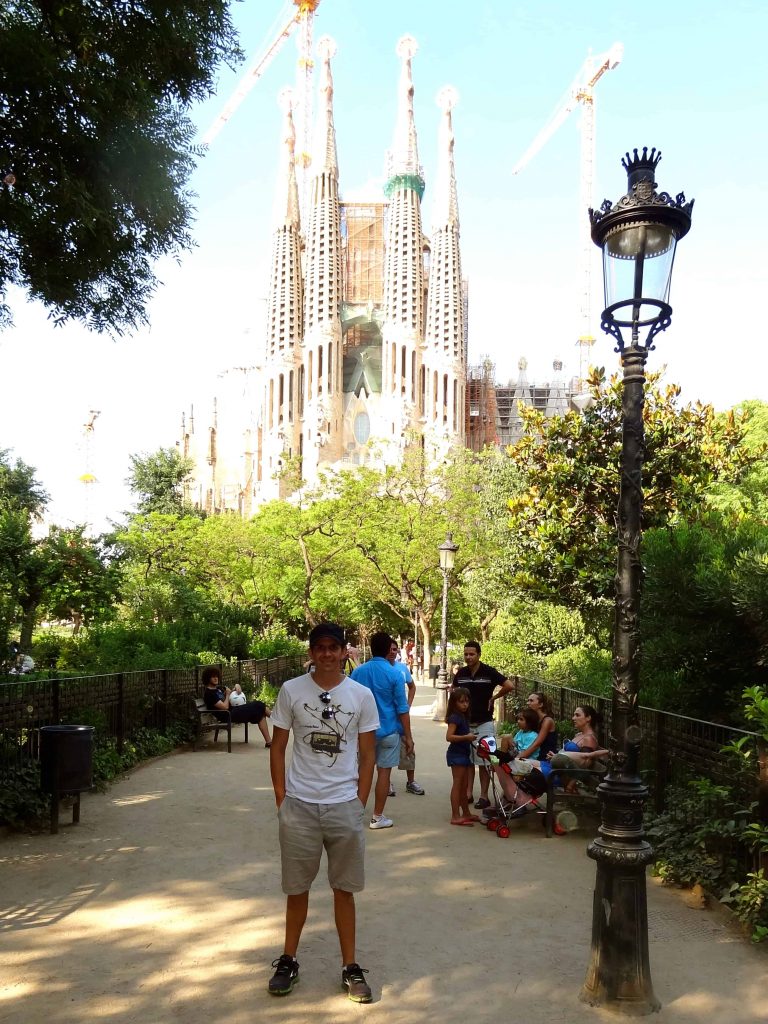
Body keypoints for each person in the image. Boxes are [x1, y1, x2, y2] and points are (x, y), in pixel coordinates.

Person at [268, 622, 379, 1003]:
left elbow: (368, 754)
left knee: (343, 889)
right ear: (311, 652)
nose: (328, 654)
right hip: (299, 805)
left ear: (345, 652)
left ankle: (350, 966)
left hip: (343, 805)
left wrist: (359, 800)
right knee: (296, 889)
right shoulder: (291, 691)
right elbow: (278, 745)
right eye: (321, 647)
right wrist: (282, 797)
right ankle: (288, 959)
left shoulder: (361, 695)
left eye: (335, 647)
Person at [351, 631, 415, 830]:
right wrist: (408, 736)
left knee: (363, 771)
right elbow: (402, 708)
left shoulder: (358, 672)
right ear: (389, 649)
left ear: (371, 648)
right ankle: (377, 817)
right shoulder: (395, 673)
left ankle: (356, 814)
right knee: (384, 773)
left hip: (364, 732)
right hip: (388, 730)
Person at [452, 641, 515, 809]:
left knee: (485, 761)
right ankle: (468, 793)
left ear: (479, 655)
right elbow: (454, 693)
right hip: (465, 724)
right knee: (468, 760)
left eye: (472, 654)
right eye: (466, 654)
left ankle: (484, 796)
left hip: (484, 723)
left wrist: (494, 698)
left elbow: (509, 685)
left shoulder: (489, 672)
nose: (468, 657)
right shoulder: (461, 674)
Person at [386, 639, 425, 796]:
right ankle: (386, 782)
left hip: (401, 718)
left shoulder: (402, 668)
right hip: (385, 716)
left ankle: (411, 781)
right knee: (385, 751)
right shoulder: (380, 668)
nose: (392, 652)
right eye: (389, 649)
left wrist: (408, 706)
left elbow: (412, 686)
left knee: (409, 747)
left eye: (395, 649)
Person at [201, 667, 272, 747]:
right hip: (226, 715)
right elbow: (225, 707)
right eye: (213, 676)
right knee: (258, 704)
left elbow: (231, 692)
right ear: (207, 678)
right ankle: (276, 719)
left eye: (216, 676)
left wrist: (237, 686)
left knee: (260, 713)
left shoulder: (218, 688)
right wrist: (227, 694)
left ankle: (269, 742)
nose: (216, 678)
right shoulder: (209, 694)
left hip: (232, 711)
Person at [548, 705, 608, 792]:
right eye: (574, 715)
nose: (573, 718)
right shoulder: (579, 735)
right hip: (561, 769)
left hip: (568, 775)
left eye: (577, 715)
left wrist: (571, 784)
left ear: (588, 718)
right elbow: (572, 757)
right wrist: (558, 755)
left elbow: (585, 763)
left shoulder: (589, 739)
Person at [445, 687, 479, 826]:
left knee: (464, 785)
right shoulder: (455, 718)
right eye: (461, 702)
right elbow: (449, 737)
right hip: (456, 754)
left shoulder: (463, 716)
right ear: (454, 703)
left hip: (463, 753)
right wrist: (466, 737)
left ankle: (465, 813)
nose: (465, 704)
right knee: (458, 785)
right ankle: (455, 815)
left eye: (467, 701)